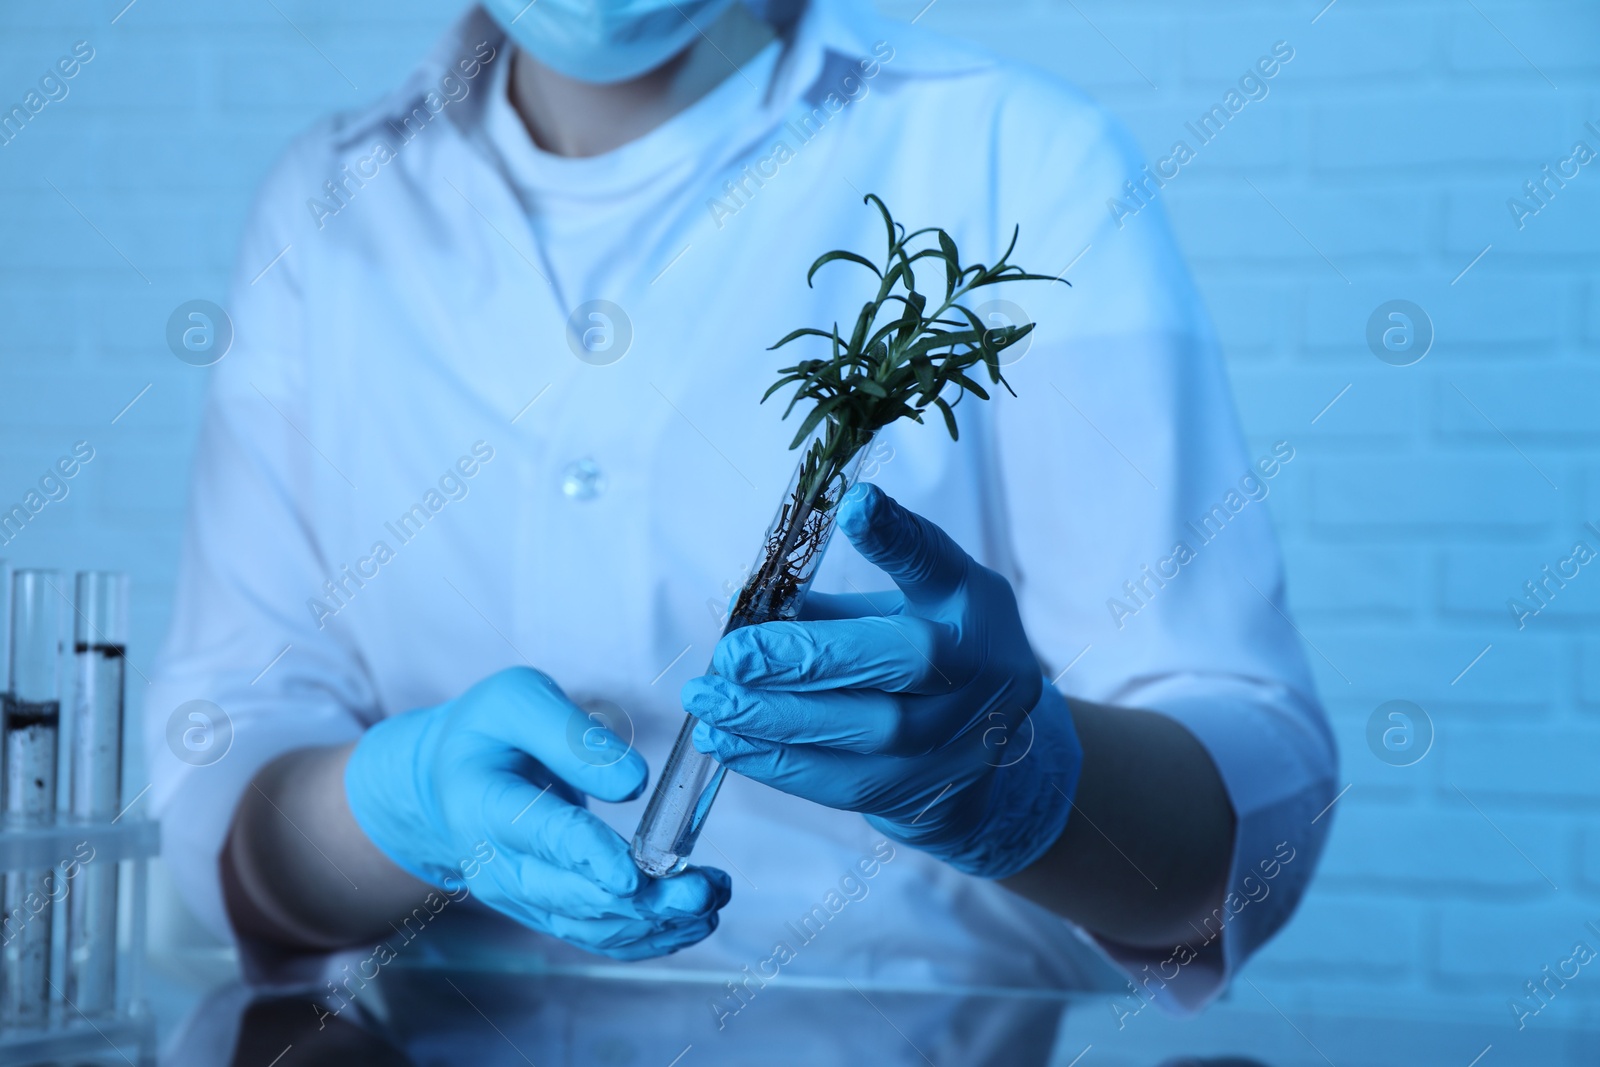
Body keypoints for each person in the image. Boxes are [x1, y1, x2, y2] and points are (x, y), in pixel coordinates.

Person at [146, 0, 1337, 1043]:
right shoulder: (330, 203)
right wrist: (389, 807)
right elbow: (226, 782)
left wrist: (1023, 776)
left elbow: (1243, 833)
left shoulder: (1008, 157)